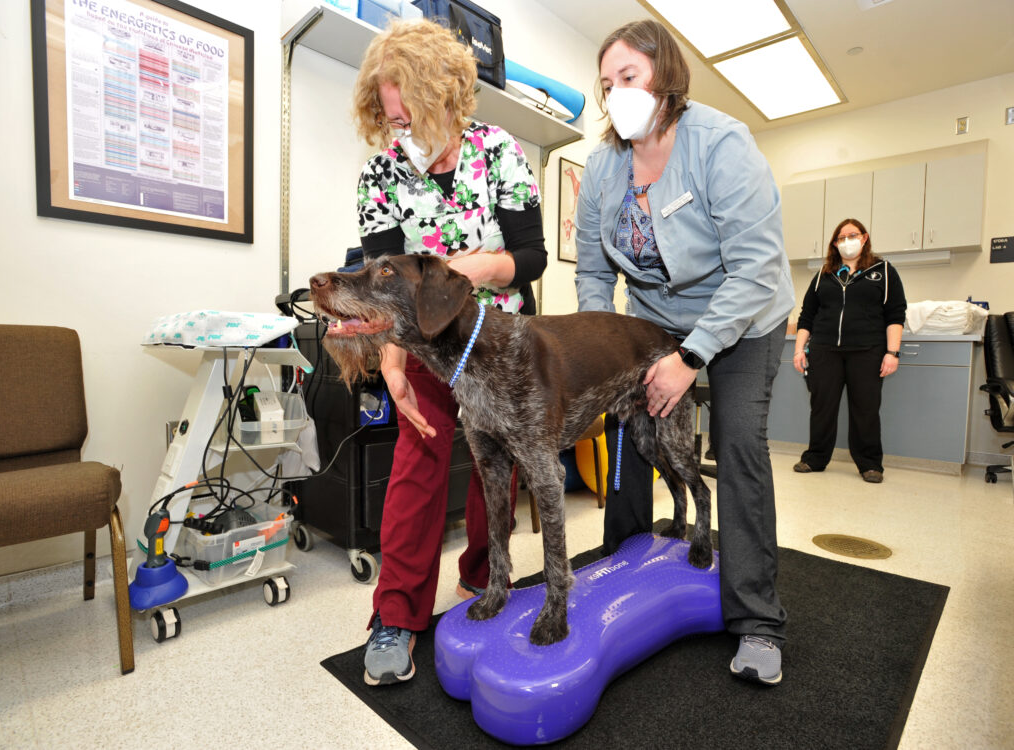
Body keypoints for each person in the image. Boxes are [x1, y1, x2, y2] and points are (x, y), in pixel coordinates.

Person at [575, 19, 794, 686]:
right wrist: (606, 349)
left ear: (665, 79)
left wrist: (691, 357)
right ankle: (617, 565)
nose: (616, 95)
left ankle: (758, 621)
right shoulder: (603, 168)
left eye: (629, 79)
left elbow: (754, 269)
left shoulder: (722, 145)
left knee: (737, 445)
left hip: (745, 316)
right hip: (653, 321)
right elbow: (591, 271)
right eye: (607, 84)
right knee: (633, 431)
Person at [351, 19, 546, 685]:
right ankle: (398, 614)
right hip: (426, 347)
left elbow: (531, 256)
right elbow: (382, 288)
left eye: (408, 110)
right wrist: (394, 358)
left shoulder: (499, 152)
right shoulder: (380, 174)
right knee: (417, 461)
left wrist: (482, 269)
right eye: (390, 114)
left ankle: (484, 578)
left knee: (499, 464)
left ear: (441, 94)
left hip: (497, 341)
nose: (399, 126)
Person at [792, 218, 907, 482]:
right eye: (840, 238)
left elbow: (895, 315)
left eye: (852, 235)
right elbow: (807, 315)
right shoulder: (824, 275)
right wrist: (799, 350)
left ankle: (870, 464)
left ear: (864, 238)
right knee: (822, 407)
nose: (846, 241)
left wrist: (892, 353)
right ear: (834, 243)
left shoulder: (884, 271)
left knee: (865, 408)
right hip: (824, 350)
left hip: (867, 350)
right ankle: (815, 458)